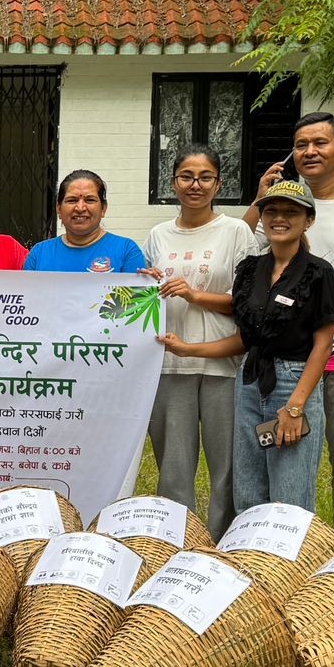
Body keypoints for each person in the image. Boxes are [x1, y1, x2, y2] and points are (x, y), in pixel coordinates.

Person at [247, 113, 334, 536]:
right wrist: (258, 199)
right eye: (301, 144)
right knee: (280, 444)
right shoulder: (279, 208)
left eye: (320, 143)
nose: (309, 151)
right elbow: (243, 254)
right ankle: (279, 534)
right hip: (287, 355)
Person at [171, 178, 334, 515]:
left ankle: (289, 551)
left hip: (292, 385)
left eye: (291, 212)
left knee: (288, 495)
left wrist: (295, 408)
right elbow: (246, 340)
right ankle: (249, 548)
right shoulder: (250, 270)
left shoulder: (319, 273)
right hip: (249, 384)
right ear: (261, 218)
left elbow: (322, 346)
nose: (280, 218)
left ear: (308, 220)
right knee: (248, 493)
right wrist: (189, 349)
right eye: (271, 211)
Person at [142, 145, 258, 537]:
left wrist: (195, 295)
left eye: (205, 177)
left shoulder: (236, 232)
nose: (196, 185)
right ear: (173, 182)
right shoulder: (158, 235)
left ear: (218, 184)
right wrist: (146, 282)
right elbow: (145, 300)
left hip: (223, 363)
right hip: (169, 361)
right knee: (173, 467)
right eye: (187, 176)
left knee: (227, 466)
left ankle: (225, 543)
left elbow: (249, 303)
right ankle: (178, 542)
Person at [24, 170, 146, 273]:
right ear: (59, 209)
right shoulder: (40, 254)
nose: (80, 208)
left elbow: (136, 294)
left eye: (90, 200)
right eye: (72, 200)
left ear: (103, 208)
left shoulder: (126, 251)